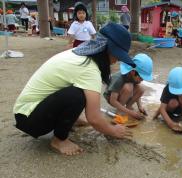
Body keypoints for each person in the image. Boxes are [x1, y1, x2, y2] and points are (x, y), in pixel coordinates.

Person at [13, 22, 134, 156]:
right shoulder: (89, 68)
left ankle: (68, 123)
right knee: (77, 95)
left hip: (26, 112)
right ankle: (59, 140)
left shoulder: (79, 54)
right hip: (29, 119)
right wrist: (113, 131)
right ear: (105, 49)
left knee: (80, 92)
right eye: (117, 56)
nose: (116, 61)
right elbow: (94, 118)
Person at [104, 53, 153, 120]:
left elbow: (138, 93)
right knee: (128, 87)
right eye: (141, 78)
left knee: (141, 88)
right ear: (133, 72)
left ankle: (128, 107)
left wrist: (140, 106)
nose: (142, 80)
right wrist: (130, 113)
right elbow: (113, 101)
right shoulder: (118, 78)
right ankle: (119, 111)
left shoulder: (134, 77)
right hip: (111, 97)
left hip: (123, 93)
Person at [153, 67, 182, 132]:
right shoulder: (167, 88)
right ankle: (170, 117)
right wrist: (170, 123)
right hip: (171, 107)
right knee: (173, 102)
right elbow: (162, 108)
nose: (180, 93)